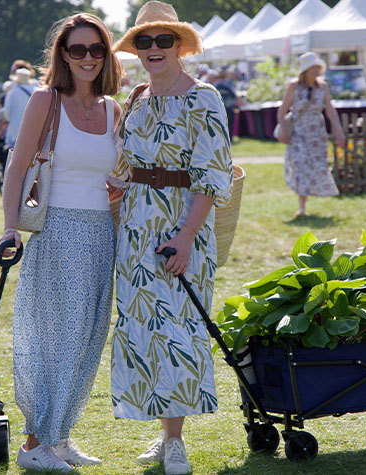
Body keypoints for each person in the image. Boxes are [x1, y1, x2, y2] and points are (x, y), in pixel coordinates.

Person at [108, 3, 233, 474]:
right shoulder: (136, 97)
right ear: (136, 49)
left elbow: (212, 175)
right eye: (145, 41)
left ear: (180, 46)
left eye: (164, 40)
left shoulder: (205, 97)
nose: (155, 49)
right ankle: (163, 433)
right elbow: (121, 169)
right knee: (143, 329)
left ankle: (176, 439)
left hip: (185, 227)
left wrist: (184, 238)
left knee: (180, 328)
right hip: (137, 227)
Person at [0, 12, 123, 473]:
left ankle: (59, 436)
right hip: (57, 231)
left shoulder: (113, 108)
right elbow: (16, 168)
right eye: (78, 50)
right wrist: (9, 226)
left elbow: (118, 174)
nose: (87, 58)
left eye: (96, 50)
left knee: (89, 337)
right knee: (58, 339)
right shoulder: (43, 100)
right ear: (63, 55)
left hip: (100, 234)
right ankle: (33, 444)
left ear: (105, 55)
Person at [278, 52, 346, 217]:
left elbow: (330, 109)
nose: (316, 71)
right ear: (305, 70)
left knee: (315, 165)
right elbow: (282, 109)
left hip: (317, 133)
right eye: (312, 68)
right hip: (298, 131)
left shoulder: (322, 87)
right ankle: (302, 206)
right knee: (300, 164)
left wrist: (338, 130)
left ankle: (308, 198)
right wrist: (283, 129)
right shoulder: (294, 86)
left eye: (317, 68)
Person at [3, 68, 38, 149]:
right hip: (34, 131)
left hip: (15, 131)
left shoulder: (12, 92)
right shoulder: (36, 91)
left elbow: (7, 114)